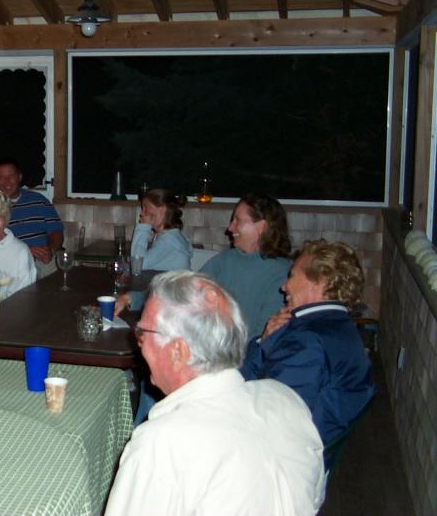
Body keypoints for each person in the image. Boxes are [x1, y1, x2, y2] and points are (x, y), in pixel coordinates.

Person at [105, 270, 325, 516]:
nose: (139, 342)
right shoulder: (286, 399)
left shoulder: (160, 444)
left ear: (178, 352)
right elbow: (315, 497)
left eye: (142, 333)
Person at [241, 239, 376, 460]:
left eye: (291, 276)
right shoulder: (341, 328)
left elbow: (267, 416)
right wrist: (263, 342)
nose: (283, 287)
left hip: (282, 462)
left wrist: (260, 348)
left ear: (319, 281)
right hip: (306, 452)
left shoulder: (307, 342)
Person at [201, 193, 292, 337]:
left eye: (237, 221)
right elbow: (190, 298)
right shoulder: (223, 261)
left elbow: (263, 336)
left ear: (261, 226)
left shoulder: (282, 273)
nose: (230, 228)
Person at [0, 158, 63, 279]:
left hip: (44, 259)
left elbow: (56, 232)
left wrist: (50, 250)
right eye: (1, 177)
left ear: (19, 177)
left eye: (11, 176)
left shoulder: (39, 200)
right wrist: (25, 251)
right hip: (11, 262)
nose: (7, 181)